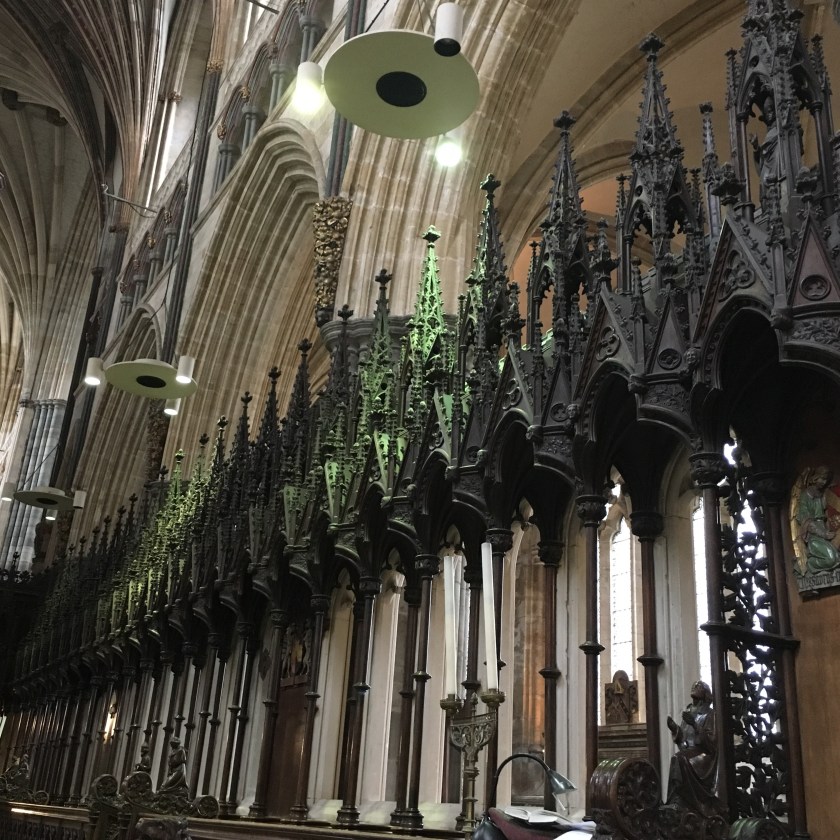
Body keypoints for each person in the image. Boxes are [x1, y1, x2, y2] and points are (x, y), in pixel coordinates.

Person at [666, 681, 722, 818]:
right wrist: (674, 728)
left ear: (705, 694)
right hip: (689, 751)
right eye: (694, 686)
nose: (694, 686)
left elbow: (712, 742)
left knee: (679, 758)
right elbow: (683, 737)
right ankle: (676, 798)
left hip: (703, 754)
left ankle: (680, 799)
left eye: (698, 686)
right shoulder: (689, 710)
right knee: (677, 758)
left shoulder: (710, 714)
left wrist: (695, 724)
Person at [796, 466, 840, 574]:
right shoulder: (805, 495)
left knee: (837, 557)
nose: (824, 482)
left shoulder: (822, 494)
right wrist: (823, 534)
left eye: (826, 480)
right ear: (815, 478)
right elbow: (806, 521)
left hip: (824, 531)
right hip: (814, 536)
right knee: (831, 559)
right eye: (822, 478)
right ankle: (808, 564)